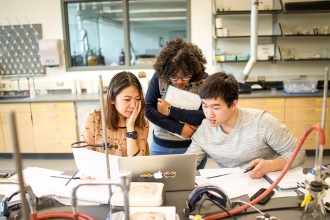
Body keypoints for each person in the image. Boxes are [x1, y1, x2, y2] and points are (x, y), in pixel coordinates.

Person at [185, 72, 306, 178]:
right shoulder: (205, 129)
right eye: (205, 106)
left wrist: (270, 165)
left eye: (216, 107)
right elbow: (185, 163)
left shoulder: (262, 122)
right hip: (234, 187)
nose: (209, 114)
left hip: (269, 184)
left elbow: (299, 153)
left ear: (233, 104)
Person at [145, 38, 208, 165]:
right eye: (173, 76)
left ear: (194, 71)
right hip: (162, 146)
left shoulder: (204, 80)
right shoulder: (159, 77)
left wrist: (170, 111)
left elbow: (207, 114)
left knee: (193, 184)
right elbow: (148, 109)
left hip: (194, 147)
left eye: (185, 76)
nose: (179, 81)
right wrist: (179, 129)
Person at [81, 71, 149, 157]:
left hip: (129, 170)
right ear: (112, 99)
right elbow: (85, 156)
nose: (133, 105)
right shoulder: (93, 118)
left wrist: (130, 127)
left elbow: (137, 161)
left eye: (138, 99)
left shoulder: (142, 123)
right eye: (127, 99)